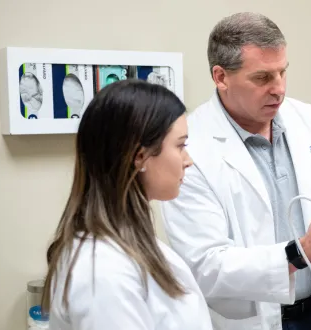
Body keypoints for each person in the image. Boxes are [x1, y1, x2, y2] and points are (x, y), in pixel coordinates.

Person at [159, 12, 311, 330]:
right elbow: (205, 264)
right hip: (249, 318)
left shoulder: (308, 120)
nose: (279, 89)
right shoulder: (190, 147)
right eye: (262, 78)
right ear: (221, 76)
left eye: (283, 73)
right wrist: (298, 253)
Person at [40, 79, 213, 330]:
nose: (188, 160)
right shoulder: (102, 270)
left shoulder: (130, 243)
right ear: (140, 156)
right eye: (180, 145)